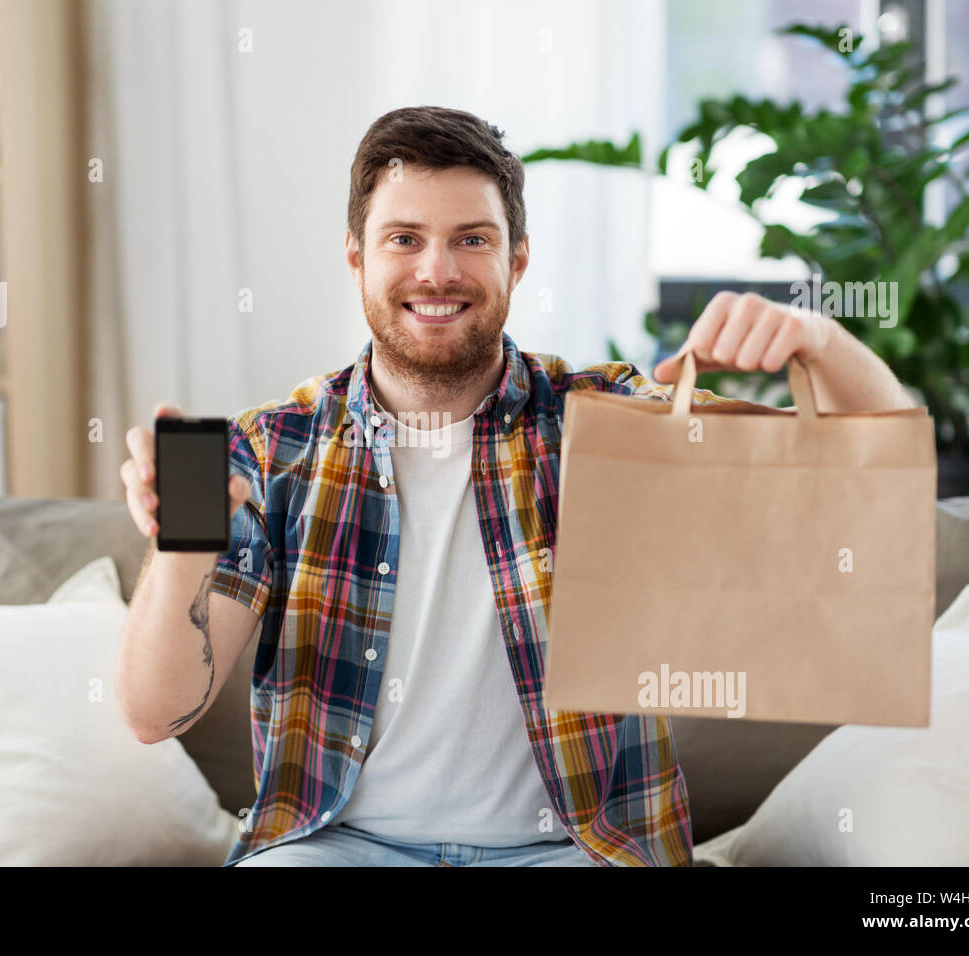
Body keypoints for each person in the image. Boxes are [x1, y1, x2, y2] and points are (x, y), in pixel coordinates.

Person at [116, 106, 914, 867]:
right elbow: (155, 714)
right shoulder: (272, 448)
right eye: (404, 238)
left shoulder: (607, 422)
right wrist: (182, 542)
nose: (438, 270)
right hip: (334, 846)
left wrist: (819, 341)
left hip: (576, 849)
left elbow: (869, 492)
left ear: (516, 259)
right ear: (356, 256)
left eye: (471, 238)